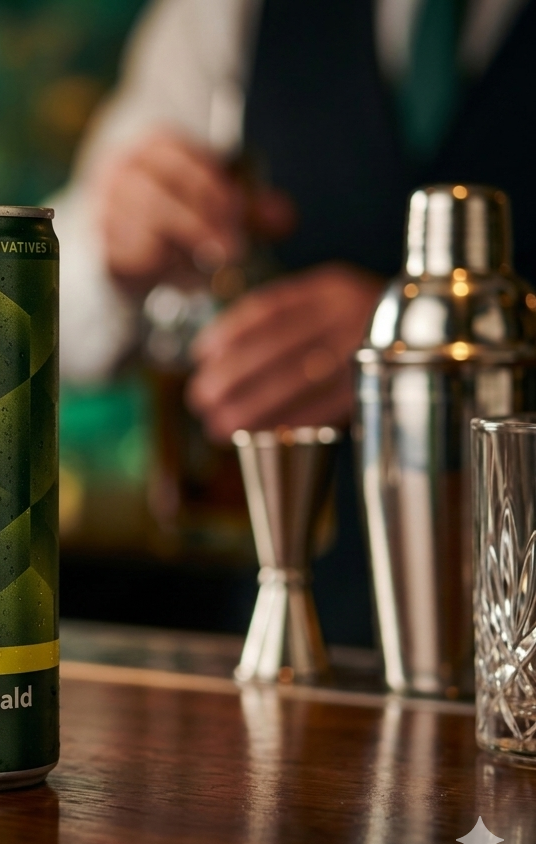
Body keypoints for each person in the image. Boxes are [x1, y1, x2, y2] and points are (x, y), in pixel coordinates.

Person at [55, 0, 536, 643]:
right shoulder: (225, 14)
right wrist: (111, 242)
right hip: (299, 634)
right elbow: (59, 312)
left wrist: (411, 338)